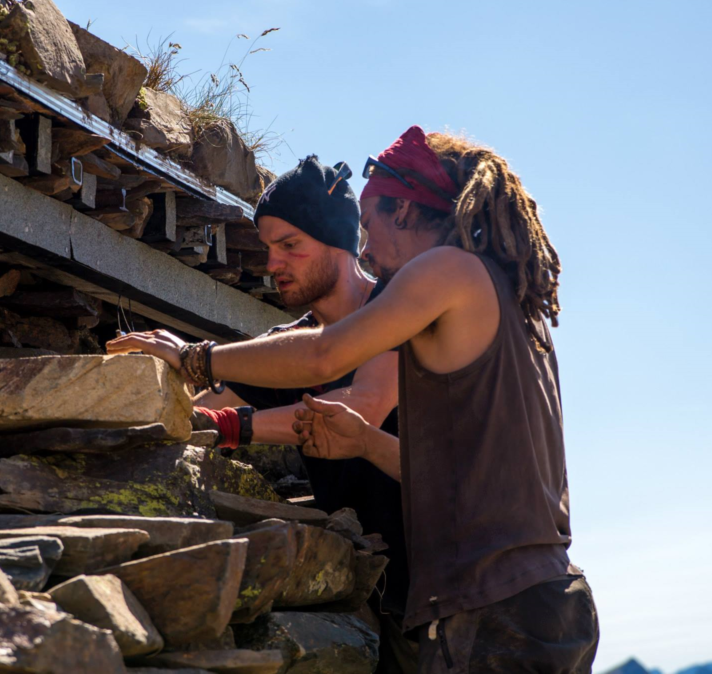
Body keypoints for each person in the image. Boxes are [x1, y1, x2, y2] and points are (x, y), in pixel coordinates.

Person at [108, 127, 599, 673]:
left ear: (407, 211)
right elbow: (462, 477)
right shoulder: (512, 302)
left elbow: (326, 356)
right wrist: (365, 443)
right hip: (544, 602)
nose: (365, 249)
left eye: (370, 226)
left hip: (492, 613)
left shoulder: (447, 271)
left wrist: (196, 358)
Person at [190, 155, 415, 673]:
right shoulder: (283, 350)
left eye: (290, 245)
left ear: (338, 243)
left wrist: (229, 428)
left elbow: (362, 407)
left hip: (444, 589)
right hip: (367, 599)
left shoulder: (399, 309)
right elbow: (193, 413)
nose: (273, 264)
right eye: (269, 248)